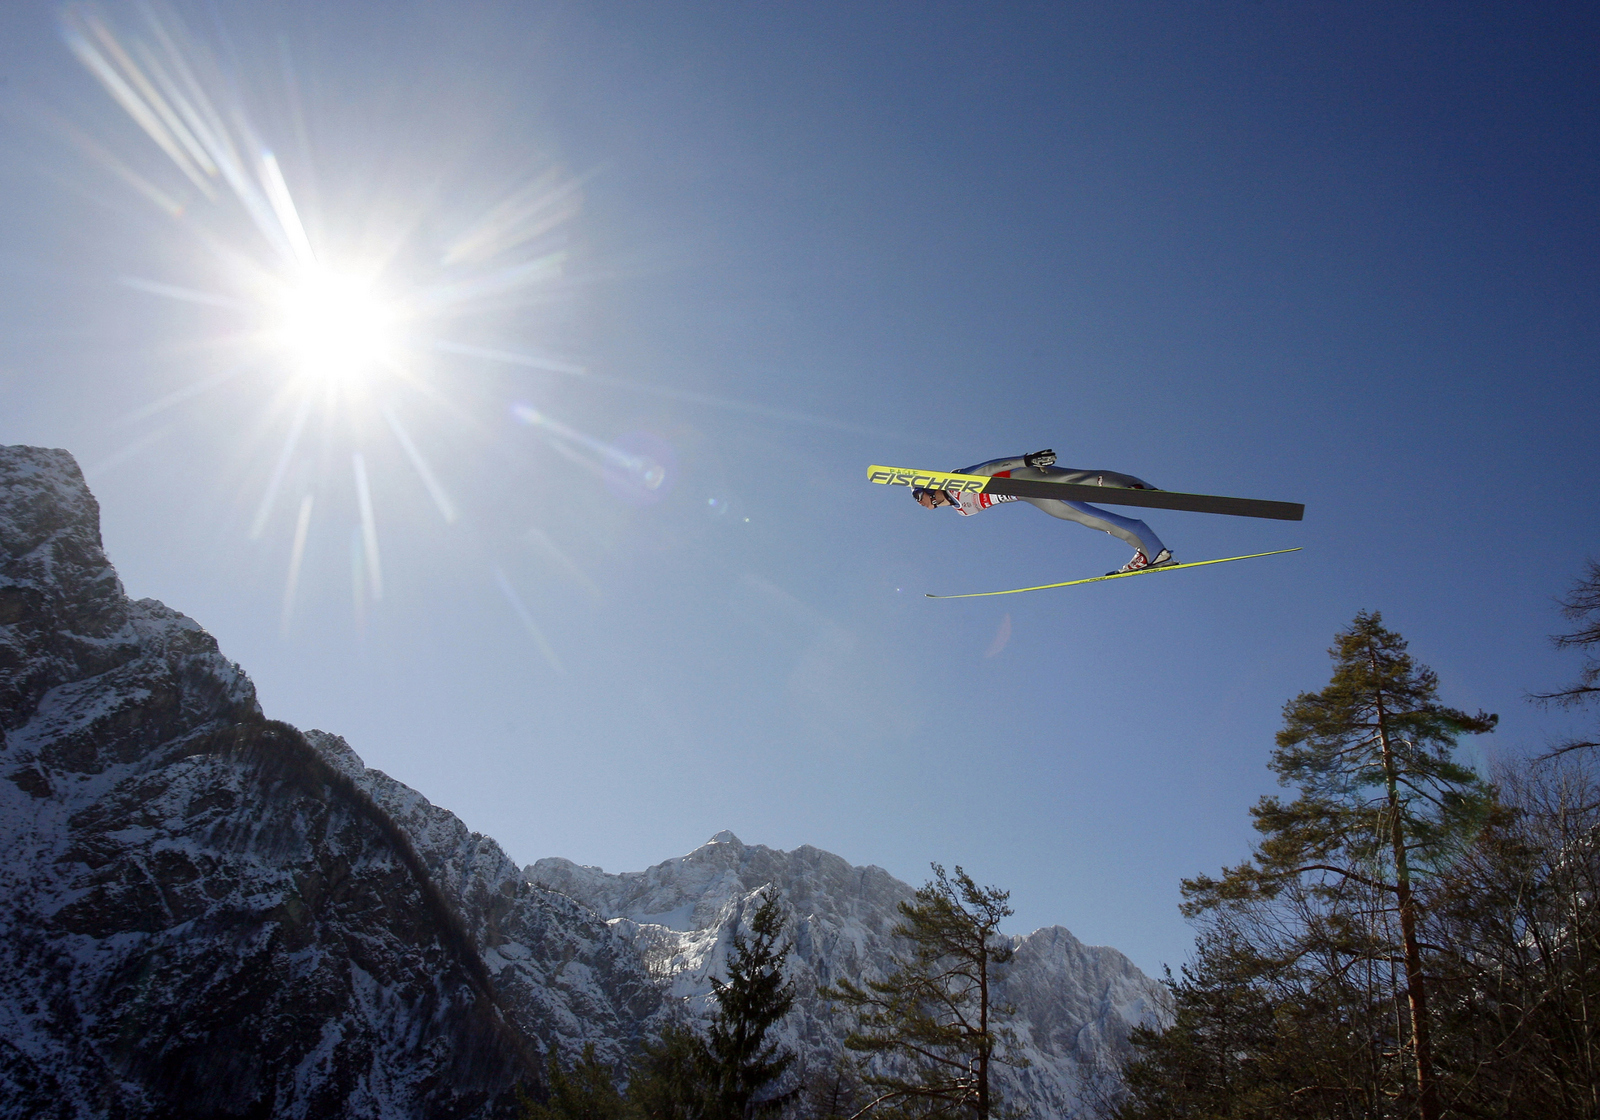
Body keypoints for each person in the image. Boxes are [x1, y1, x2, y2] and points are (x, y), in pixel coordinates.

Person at [912, 449, 1176, 574]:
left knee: (1083, 479)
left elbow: (989, 468)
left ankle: (1139, 488)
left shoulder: (954, 481)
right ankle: (1153, 551)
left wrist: (1025, 461)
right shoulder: (962, 511)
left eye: (918, 495)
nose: (919, 502)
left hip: (1024, 477)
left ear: (928, 487)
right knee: (1087, 518)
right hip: (1029, 495)